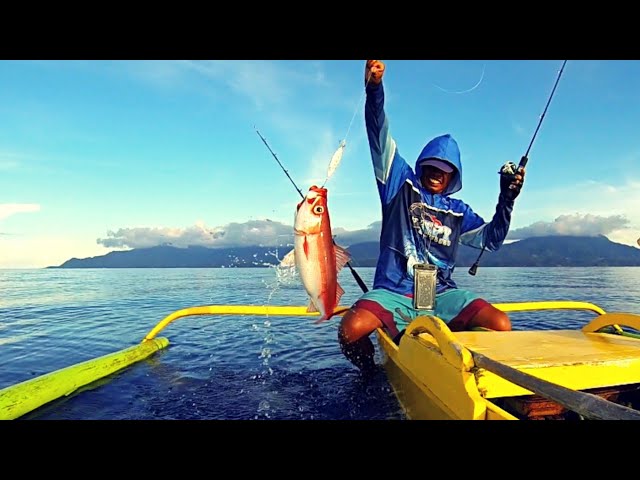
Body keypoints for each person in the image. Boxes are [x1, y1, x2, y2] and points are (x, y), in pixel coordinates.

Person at [338, 60, 525, 374]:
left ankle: (460, 369)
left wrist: (507, 198)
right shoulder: (399, 183)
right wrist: (374, 89)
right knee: (350, 328)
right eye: (433, 167)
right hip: (394, 291)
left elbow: (491, 241)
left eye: (445, 170)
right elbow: (378, 132)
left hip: (441, 293)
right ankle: (370, 369)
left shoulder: (458, 211)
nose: (438, 174)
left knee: (500, 323)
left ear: (453, 176)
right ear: (423, 165)